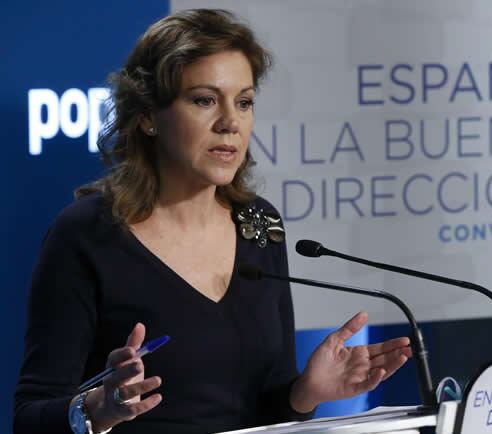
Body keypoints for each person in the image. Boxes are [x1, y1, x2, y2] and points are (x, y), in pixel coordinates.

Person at [13, 9, 412, 434]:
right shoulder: (87, 234)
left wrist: (305, 393)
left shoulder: (259, 224)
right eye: (204, 100)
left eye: (244, 102)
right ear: (148, 115)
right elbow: (29, 418)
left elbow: (266, 410)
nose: (230, 122)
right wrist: (96, 410)